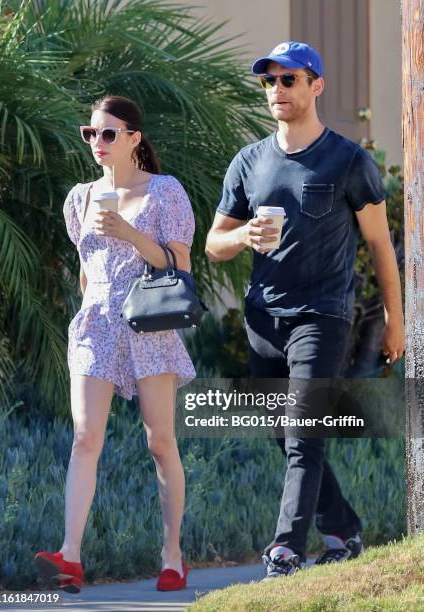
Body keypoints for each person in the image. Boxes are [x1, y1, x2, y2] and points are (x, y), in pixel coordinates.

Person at [205, 41, 405, 578]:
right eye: (269, 81)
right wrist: (244, 234)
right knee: (283, 430)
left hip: (323, 315)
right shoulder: (248, 161)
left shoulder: (349, 160)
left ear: (316, 86)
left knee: (303, 431)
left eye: (288, 80)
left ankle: (285, 549)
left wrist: (396, 318)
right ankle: (343, 527)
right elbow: (212, 243)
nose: (277, 90)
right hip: (262, 318)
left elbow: (381, 245)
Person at [35, 95, 195, 593]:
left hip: (148, 319)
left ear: (133, 138)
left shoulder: (165, 192)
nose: (97, 143)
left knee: (160, 441)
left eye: (108, 134)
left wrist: (128, 233)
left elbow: (180, 267)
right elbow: (86, 273)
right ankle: (71, 555)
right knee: (86, 437)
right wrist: (88, 317)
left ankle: (172, 555)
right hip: (96, 324)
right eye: (90, 134)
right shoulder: (80, 197)